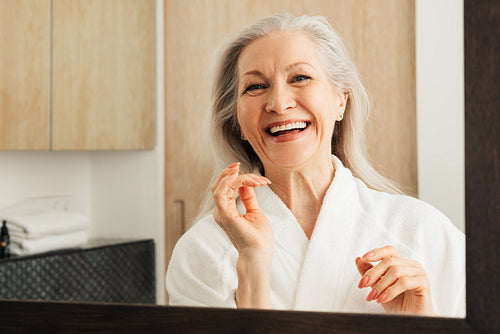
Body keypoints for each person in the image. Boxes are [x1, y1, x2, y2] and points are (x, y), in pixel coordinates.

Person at [166, 13, 465, 317]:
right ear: (237, 122)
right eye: (255, 87)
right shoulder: (203, 251)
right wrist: (253, 265)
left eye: (300, 78)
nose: (279, 103)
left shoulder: (424, 232)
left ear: (340, 101)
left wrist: (419, 324)